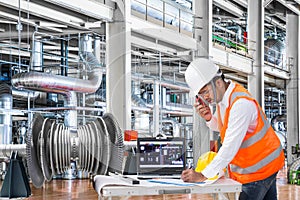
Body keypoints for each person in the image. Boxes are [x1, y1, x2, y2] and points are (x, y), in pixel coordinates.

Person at [181, 58, 285, 200]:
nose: (205, 97)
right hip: (264, 166)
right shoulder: (223, 99)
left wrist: (203, 175)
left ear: (217, 82)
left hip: (257, 171)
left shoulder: (240, 104)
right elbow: (225, 127)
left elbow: (230, 146)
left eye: (205, 91)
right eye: (200, 94)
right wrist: (209, 118)